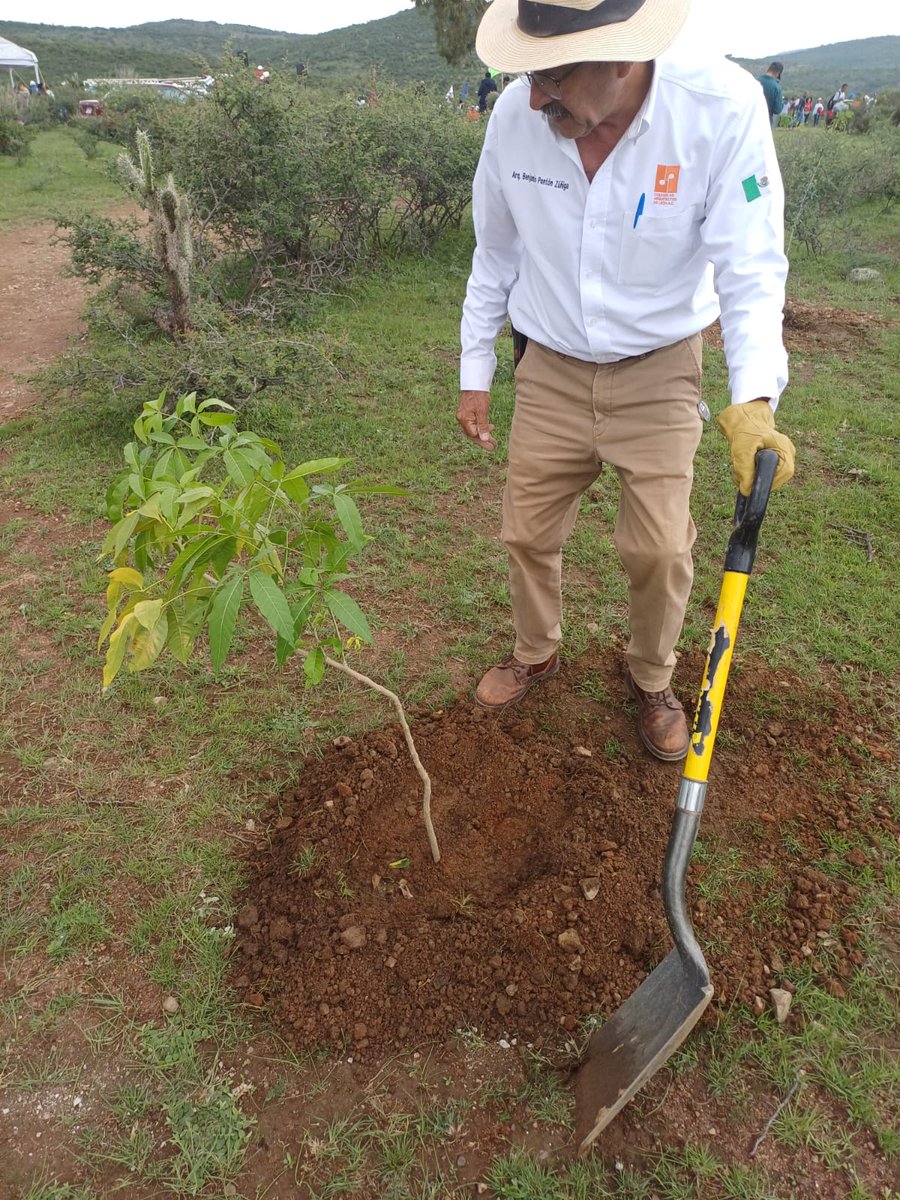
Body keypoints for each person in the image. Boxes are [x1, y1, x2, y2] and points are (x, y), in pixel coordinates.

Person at [457, 0, 795, 760]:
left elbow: (750, 265)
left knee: (660, 550)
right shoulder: (514, 118)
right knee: (525, 530)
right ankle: (536, 650)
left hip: (660, 369)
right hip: (550, 365)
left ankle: (652, 679)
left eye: (552, 77)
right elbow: (495, 253)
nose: (534, 98)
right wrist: (476, 370)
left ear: (622, 55)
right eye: (528, 74)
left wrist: (753, 402)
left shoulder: (720, 109)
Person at [757, 61, 783, 129]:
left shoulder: (755, 81)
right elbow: (777, 110)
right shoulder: (776, 87)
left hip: (751, 117)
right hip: (766, 120)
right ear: (778, 73)